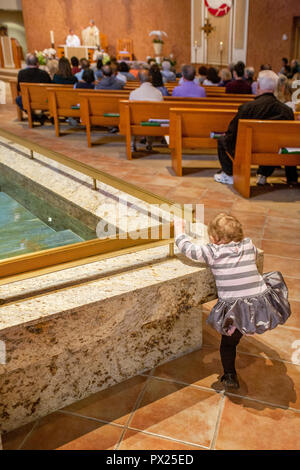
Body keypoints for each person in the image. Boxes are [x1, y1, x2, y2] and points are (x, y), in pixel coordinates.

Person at [174, 212, 291, 390]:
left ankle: (230, 374)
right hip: (259, 307)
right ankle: (250, 328)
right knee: (265, 279)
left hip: (236, 313)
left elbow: (189, 250)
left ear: (214, 238)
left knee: (228, 344)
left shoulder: (213, 252)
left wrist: (179, 231)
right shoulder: (248, 245)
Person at [214, 70, 298, 186]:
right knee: (273, 142)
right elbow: (289, 139)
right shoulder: (287, 111)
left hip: (249, 151)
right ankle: (265, 174)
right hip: (276, 152)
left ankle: (230, 174)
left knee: (223, 140)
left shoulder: (247, 108)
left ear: (258, 85)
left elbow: (232, 133)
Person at [16, 53, 52, 124]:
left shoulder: (21, 73)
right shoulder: (44, 73)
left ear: (27, 63)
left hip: (28, 100)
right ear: (37, 63)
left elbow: (19, 89)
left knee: (18, 99)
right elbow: (50, 87)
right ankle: (38, 116)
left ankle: (32, 115)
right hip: (44, 100)